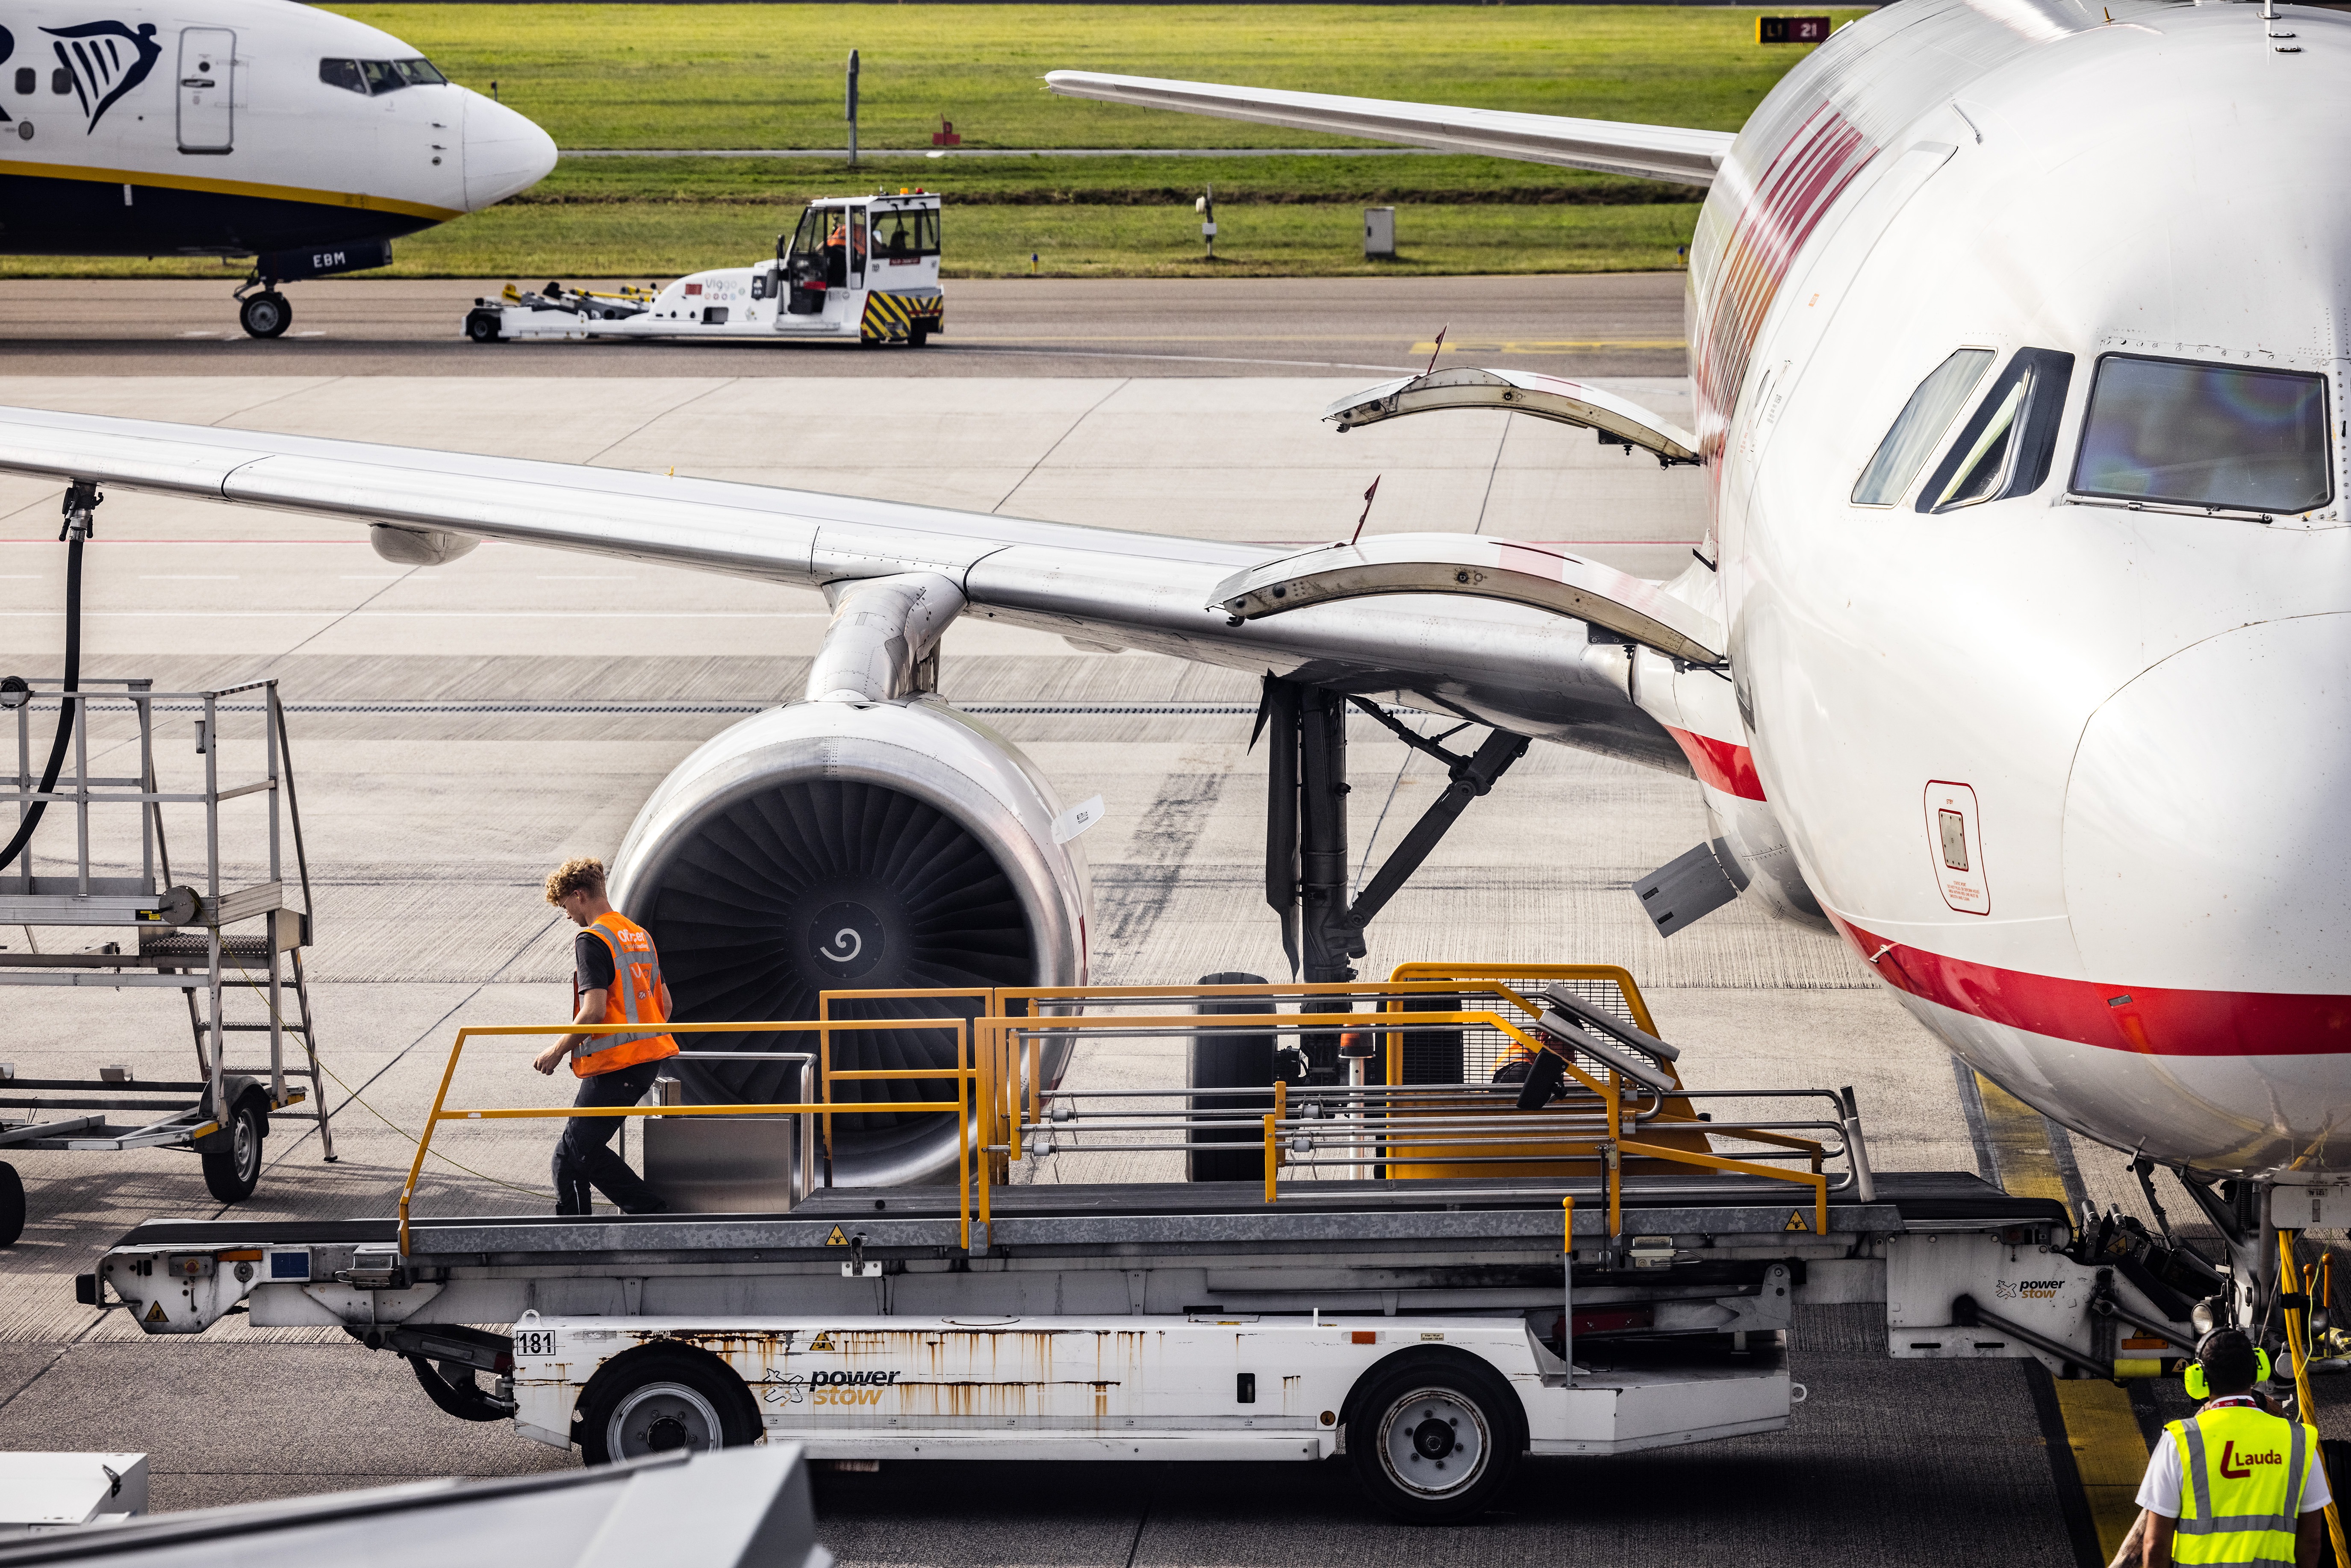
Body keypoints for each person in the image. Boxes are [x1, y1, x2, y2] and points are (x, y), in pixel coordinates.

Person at [536, 856, 675, 1216]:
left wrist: (555, 1051)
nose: (567, 915)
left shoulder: (592, 939)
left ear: (579, 895)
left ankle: (652, 1214)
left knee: (574, 1153)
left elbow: (594, 1011)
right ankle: (607, 1223)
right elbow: (667, 1005)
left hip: (618, 1067)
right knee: (575, 1154)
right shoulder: (637, 934)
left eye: (565, 905)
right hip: (643, 1062)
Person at [2126, 1325, 2330, 1567]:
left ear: (2198, 1379)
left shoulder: (2179, 1440)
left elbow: (2155, 1544)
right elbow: (2312, 1542)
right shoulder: (2300, 1441)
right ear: (2259, 1371)